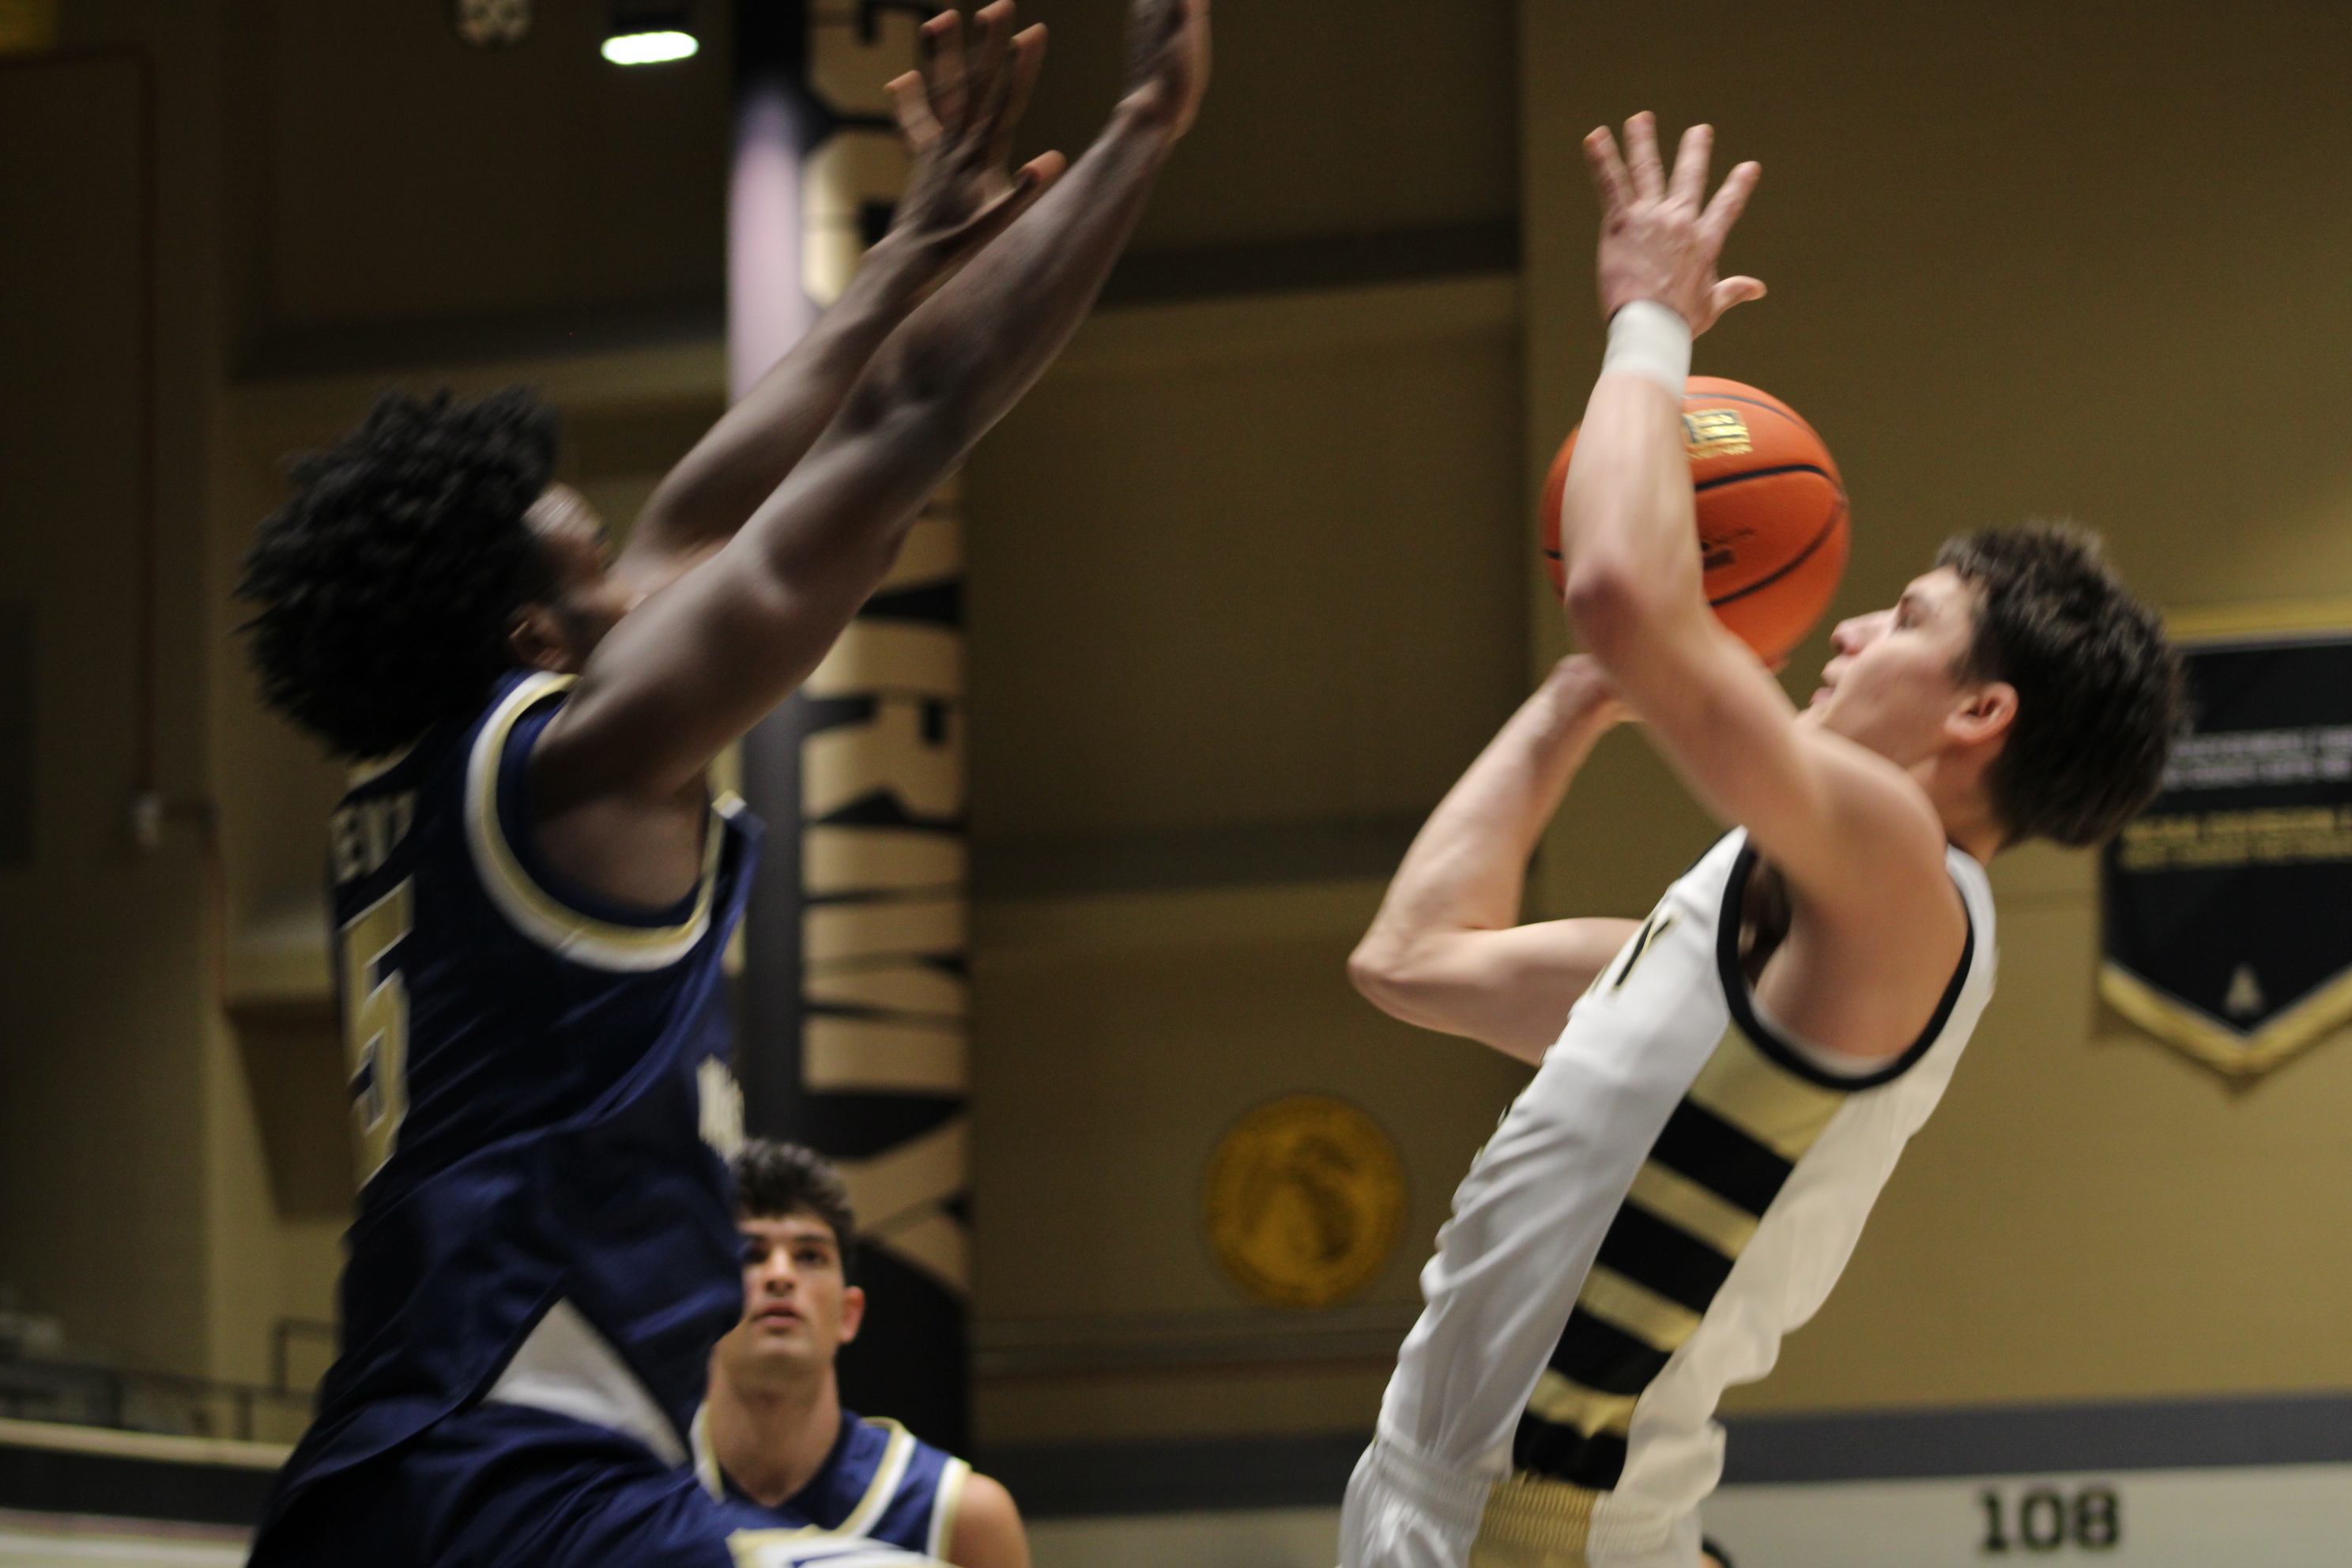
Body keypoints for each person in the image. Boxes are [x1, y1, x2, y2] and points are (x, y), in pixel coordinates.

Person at [236, 3, 1209, 1564]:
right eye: (595, 574)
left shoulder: (430, 782)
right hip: (521, 1476)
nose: (637, 582)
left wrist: (911, 246)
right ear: (529, 631)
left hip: (371, 1473)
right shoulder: (582, 751)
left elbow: (716, 499)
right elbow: (909, 423)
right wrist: (1144, 130)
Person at [1337, 113, 2180, 1568]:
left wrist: (1648, 326)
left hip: (1522, 1532)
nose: (1851, 624)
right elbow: (1411, 959)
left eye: (1907, 616)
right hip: (1464, 1498)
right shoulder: (1741, 936)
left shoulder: (1908, 879)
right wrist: (1570, 706)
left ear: (1980, 711)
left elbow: (1616, 580)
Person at [705, 1142, 1027, 1568]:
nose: (780, 1275)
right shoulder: (633, 1494)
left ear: (848, 1314)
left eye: (809, 1256)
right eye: (752, 1254)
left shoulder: (963, 1516)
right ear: (698, 1305)